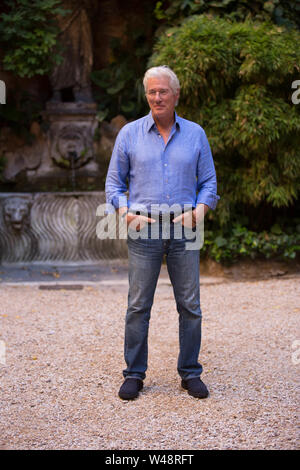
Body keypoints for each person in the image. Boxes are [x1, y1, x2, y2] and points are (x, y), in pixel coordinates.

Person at [105, 65, 219, 400]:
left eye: (163, 91)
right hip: (145, 230)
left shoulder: (196, 134)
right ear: (147, 95)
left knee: (190, 305)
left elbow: (209, 183)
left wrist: (200, 211)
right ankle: (134, 375)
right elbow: (114, 184)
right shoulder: (129, 134)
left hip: (186, 229)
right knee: (139, 305)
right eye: (152, 91)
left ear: (176, 95)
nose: (157, 97)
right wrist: (126, 213)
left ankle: (190, 373)